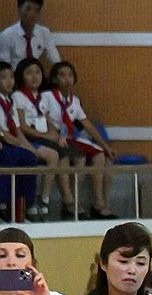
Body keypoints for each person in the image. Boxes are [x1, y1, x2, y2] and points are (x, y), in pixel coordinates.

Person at [44, 60, 116, 219]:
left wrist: (105, 146)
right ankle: (71, 203)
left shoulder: (74, 100)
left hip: (69, 138)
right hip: (55, 138)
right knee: (78, 157)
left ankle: (98, 203)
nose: (67, 79)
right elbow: (42, 117)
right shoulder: (47, 96)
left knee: (100, 155)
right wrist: (54, 133)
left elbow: (87, 125)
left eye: (70, 75)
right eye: (62, 75)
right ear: (55, 79)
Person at [11, 56, 68, 220]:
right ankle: (40, 198)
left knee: (69, 153)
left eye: (37, 72)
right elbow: (21, 125)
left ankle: (55, 199)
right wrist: (44, 136)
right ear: (21, 75)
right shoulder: (18, 97)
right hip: (30, 139)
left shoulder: (44, 97)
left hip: (43, 138)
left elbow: (49, 120)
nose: (34, 76)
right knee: (53, 155)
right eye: (29, 73)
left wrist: (55, 134)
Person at [0, 60, 38, 220]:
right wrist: (15, 142)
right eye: (3, 77)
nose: (9, 81)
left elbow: (16, 130)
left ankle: (23, 205)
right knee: (11, 158)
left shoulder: (10, 102)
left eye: (11, 77)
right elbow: (3, 132)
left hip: (9, 144)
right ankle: (2, 204)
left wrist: (30, 148)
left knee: (30, 157)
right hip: (3, 145)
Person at [0, 1, 59, 71]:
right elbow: (3, 67)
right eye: (28, 9)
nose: (32, 14)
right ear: (19, 10)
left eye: (37, 10)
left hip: (35, 77)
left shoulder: (44, 32)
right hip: (15, 77)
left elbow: (55, 58)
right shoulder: (6, 35)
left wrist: (60, 70)